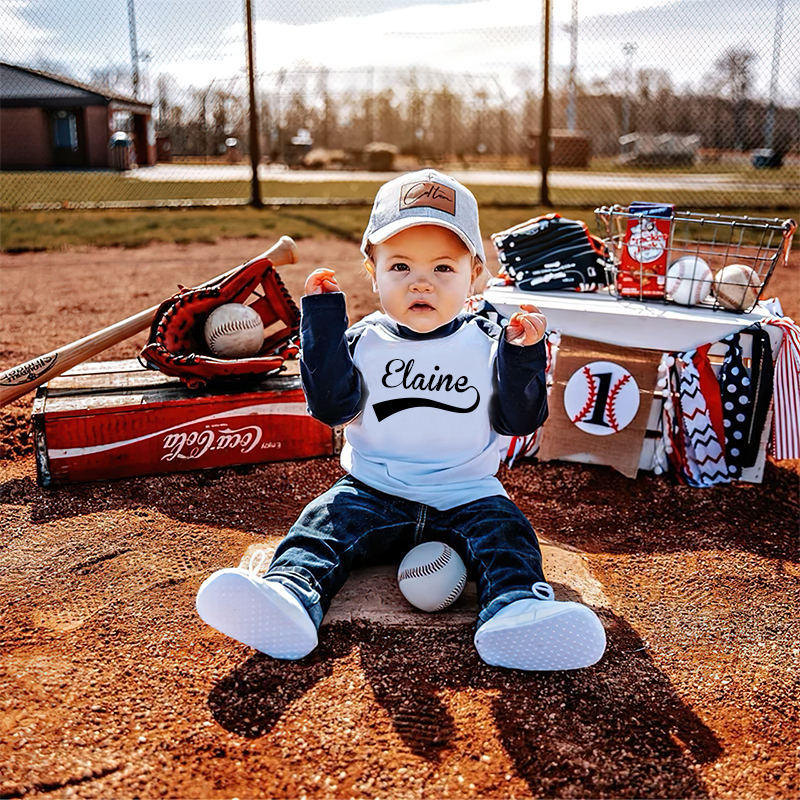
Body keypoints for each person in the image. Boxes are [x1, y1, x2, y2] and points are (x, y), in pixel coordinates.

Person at [196, 169, 606, 671]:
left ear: (475, 273)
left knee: (508, 536)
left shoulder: (490, 339)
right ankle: (289, 597)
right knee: (320, 526)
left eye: (443, 267)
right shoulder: (363, 340)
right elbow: (332, 408)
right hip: (372, 489)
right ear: (373, 272)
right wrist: (322, 323)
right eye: (400, 266)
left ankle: (516, 610)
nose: (421, 281)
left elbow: (519, 420)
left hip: (467, 493)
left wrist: (523, 356)